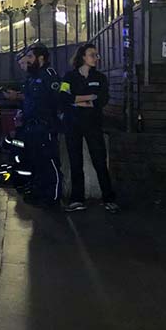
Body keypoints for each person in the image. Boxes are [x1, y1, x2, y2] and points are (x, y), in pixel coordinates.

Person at [60, 43, 119, 213]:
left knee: (99, 160)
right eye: (92, 54)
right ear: (83, 57)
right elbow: (63, 97)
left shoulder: (100, 78)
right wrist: (87, 98)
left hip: (93, 124)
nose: (96, 58)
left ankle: (109, 198)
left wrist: (76, 100)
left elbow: (102, 99)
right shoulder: (69, 77)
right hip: (72, 124)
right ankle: (77, 199)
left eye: (96, 55)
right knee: (75, 161)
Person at [5, 43, 62, 209]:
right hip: (31, 126)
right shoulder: (31, 77)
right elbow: (30, 99)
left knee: (49, 163)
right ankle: (40, 193)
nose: (28, 60)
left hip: (45, 126)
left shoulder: (49, 75)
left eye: (30, 56)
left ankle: (53, 198)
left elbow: (53, 100)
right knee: (37, 162)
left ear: (40, 58)